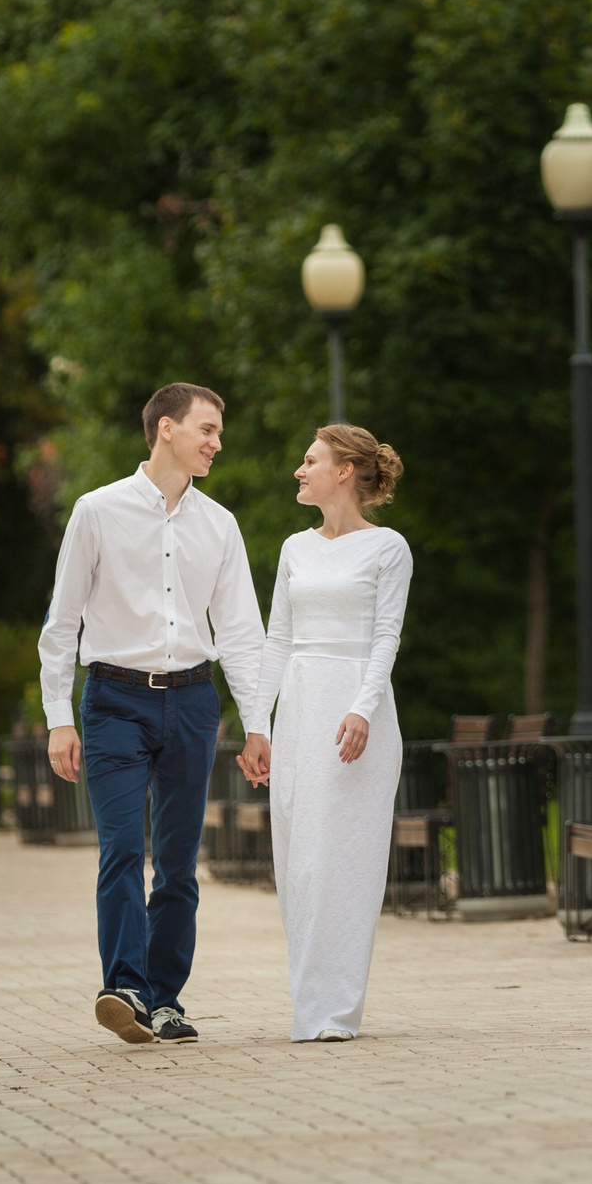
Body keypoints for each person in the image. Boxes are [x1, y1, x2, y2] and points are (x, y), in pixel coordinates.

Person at [39, 383, 271, 1046]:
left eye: (219, 431)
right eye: (207, 428)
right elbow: (61, 625)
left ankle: (165, 998)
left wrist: (258, 726)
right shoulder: (97, 512)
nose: (216, 442)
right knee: (121, 849)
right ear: (165, 428)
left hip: (194, 703)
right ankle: (126, 987)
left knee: (176, 861)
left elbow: (241, 634)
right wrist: (60, 715)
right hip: (113, 701)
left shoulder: (218, 524)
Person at [237, 424, 413, 1043]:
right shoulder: (294, 548)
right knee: (299, 860)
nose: (298, 470)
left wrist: (364, 707)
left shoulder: (388, 548)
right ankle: (309, 1003)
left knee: (345, 860)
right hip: (301, 708)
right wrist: (258, 724)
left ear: (343, 471)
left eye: (309, 461)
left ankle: (334, 1013)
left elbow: (386, 635)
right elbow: (277, 639)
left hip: (355, 715)